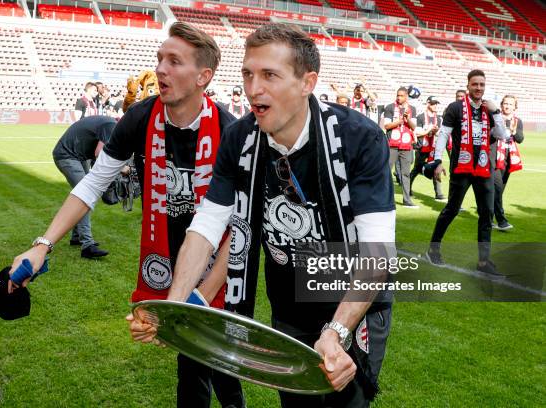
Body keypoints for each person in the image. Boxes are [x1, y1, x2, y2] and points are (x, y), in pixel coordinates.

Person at [133, 23, 395, 407]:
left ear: (308, 82)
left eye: (269, 75)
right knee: (296, 402)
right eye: (247, 74)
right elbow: (206, 227)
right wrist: (172, 309)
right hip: (288, 297)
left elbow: (378, 252)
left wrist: (336, 331)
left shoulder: (360, 138)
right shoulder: (240, 139)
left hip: (354, 296)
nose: (253, 88)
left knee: (347, 401)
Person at [9, 22, 245, 408]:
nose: (160, 71)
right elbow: (92, 184)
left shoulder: (229, 131)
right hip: (168, 257)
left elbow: (240, 227)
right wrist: (42, 245)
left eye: (174, 61)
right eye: (159, 60)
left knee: (219, 361)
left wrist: (200, 295)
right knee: (191, 365)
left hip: (222, 262)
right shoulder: (139, 118)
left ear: (204, 77)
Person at [426, 69, 508, 277]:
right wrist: (437, 161)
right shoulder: (455, 108)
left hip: (484, 168)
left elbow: (502, 135)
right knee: (452, 209)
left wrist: (497, 112)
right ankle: (433, 249)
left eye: (482, 84)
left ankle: (483, 261)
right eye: (475, 84)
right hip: (461, 168)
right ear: (468, 86)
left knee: (486, 213)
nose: (478, 88)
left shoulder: (490, 109)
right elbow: (443, 135)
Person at [52, 115, 118, 258]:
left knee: (82, 193)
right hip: (67, 156)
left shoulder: (110, 122)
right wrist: (120, 169)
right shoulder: (111, 125)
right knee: (85, 196)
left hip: (78, 155)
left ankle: (76, 236)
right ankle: (87, 245)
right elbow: (99, 153)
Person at [492, 95, 524, 231]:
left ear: (514, 107)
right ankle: (501, 221)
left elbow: (520, 139)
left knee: (498, 191)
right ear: (501, 104)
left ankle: (488, 218)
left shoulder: (517, 121)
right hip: (494, 157)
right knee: (497, 189)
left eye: (510, 104)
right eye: (505, 103)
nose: (507, 106)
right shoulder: (495, 118)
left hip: (509, 159)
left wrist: (514, 131)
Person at [383, 87, 418, 208]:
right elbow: (386, 125)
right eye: (398, 95)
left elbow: (414, 127)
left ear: (406, 96)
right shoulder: (390, 107)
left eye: (401, 95)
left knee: (406, 173)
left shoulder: (412, 109)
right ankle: (385, 198)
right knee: (387, 171)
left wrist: (407, 119)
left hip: (406, 145)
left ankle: (407, 200)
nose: (399, 98)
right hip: (392, 144)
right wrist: (399, 121)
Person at [409, 96, 445, 201]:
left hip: (433, 149)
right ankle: (408, 189)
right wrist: (428, 130)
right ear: (428, 104)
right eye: (433, 103)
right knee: (416, 169)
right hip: (422, 148)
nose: (435, 106)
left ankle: (438, 193)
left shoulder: (439, 118)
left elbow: (440, 134)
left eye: (436, 104)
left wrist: (436, 131)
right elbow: (417, 132)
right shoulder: (420, 117)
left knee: (436, 169)